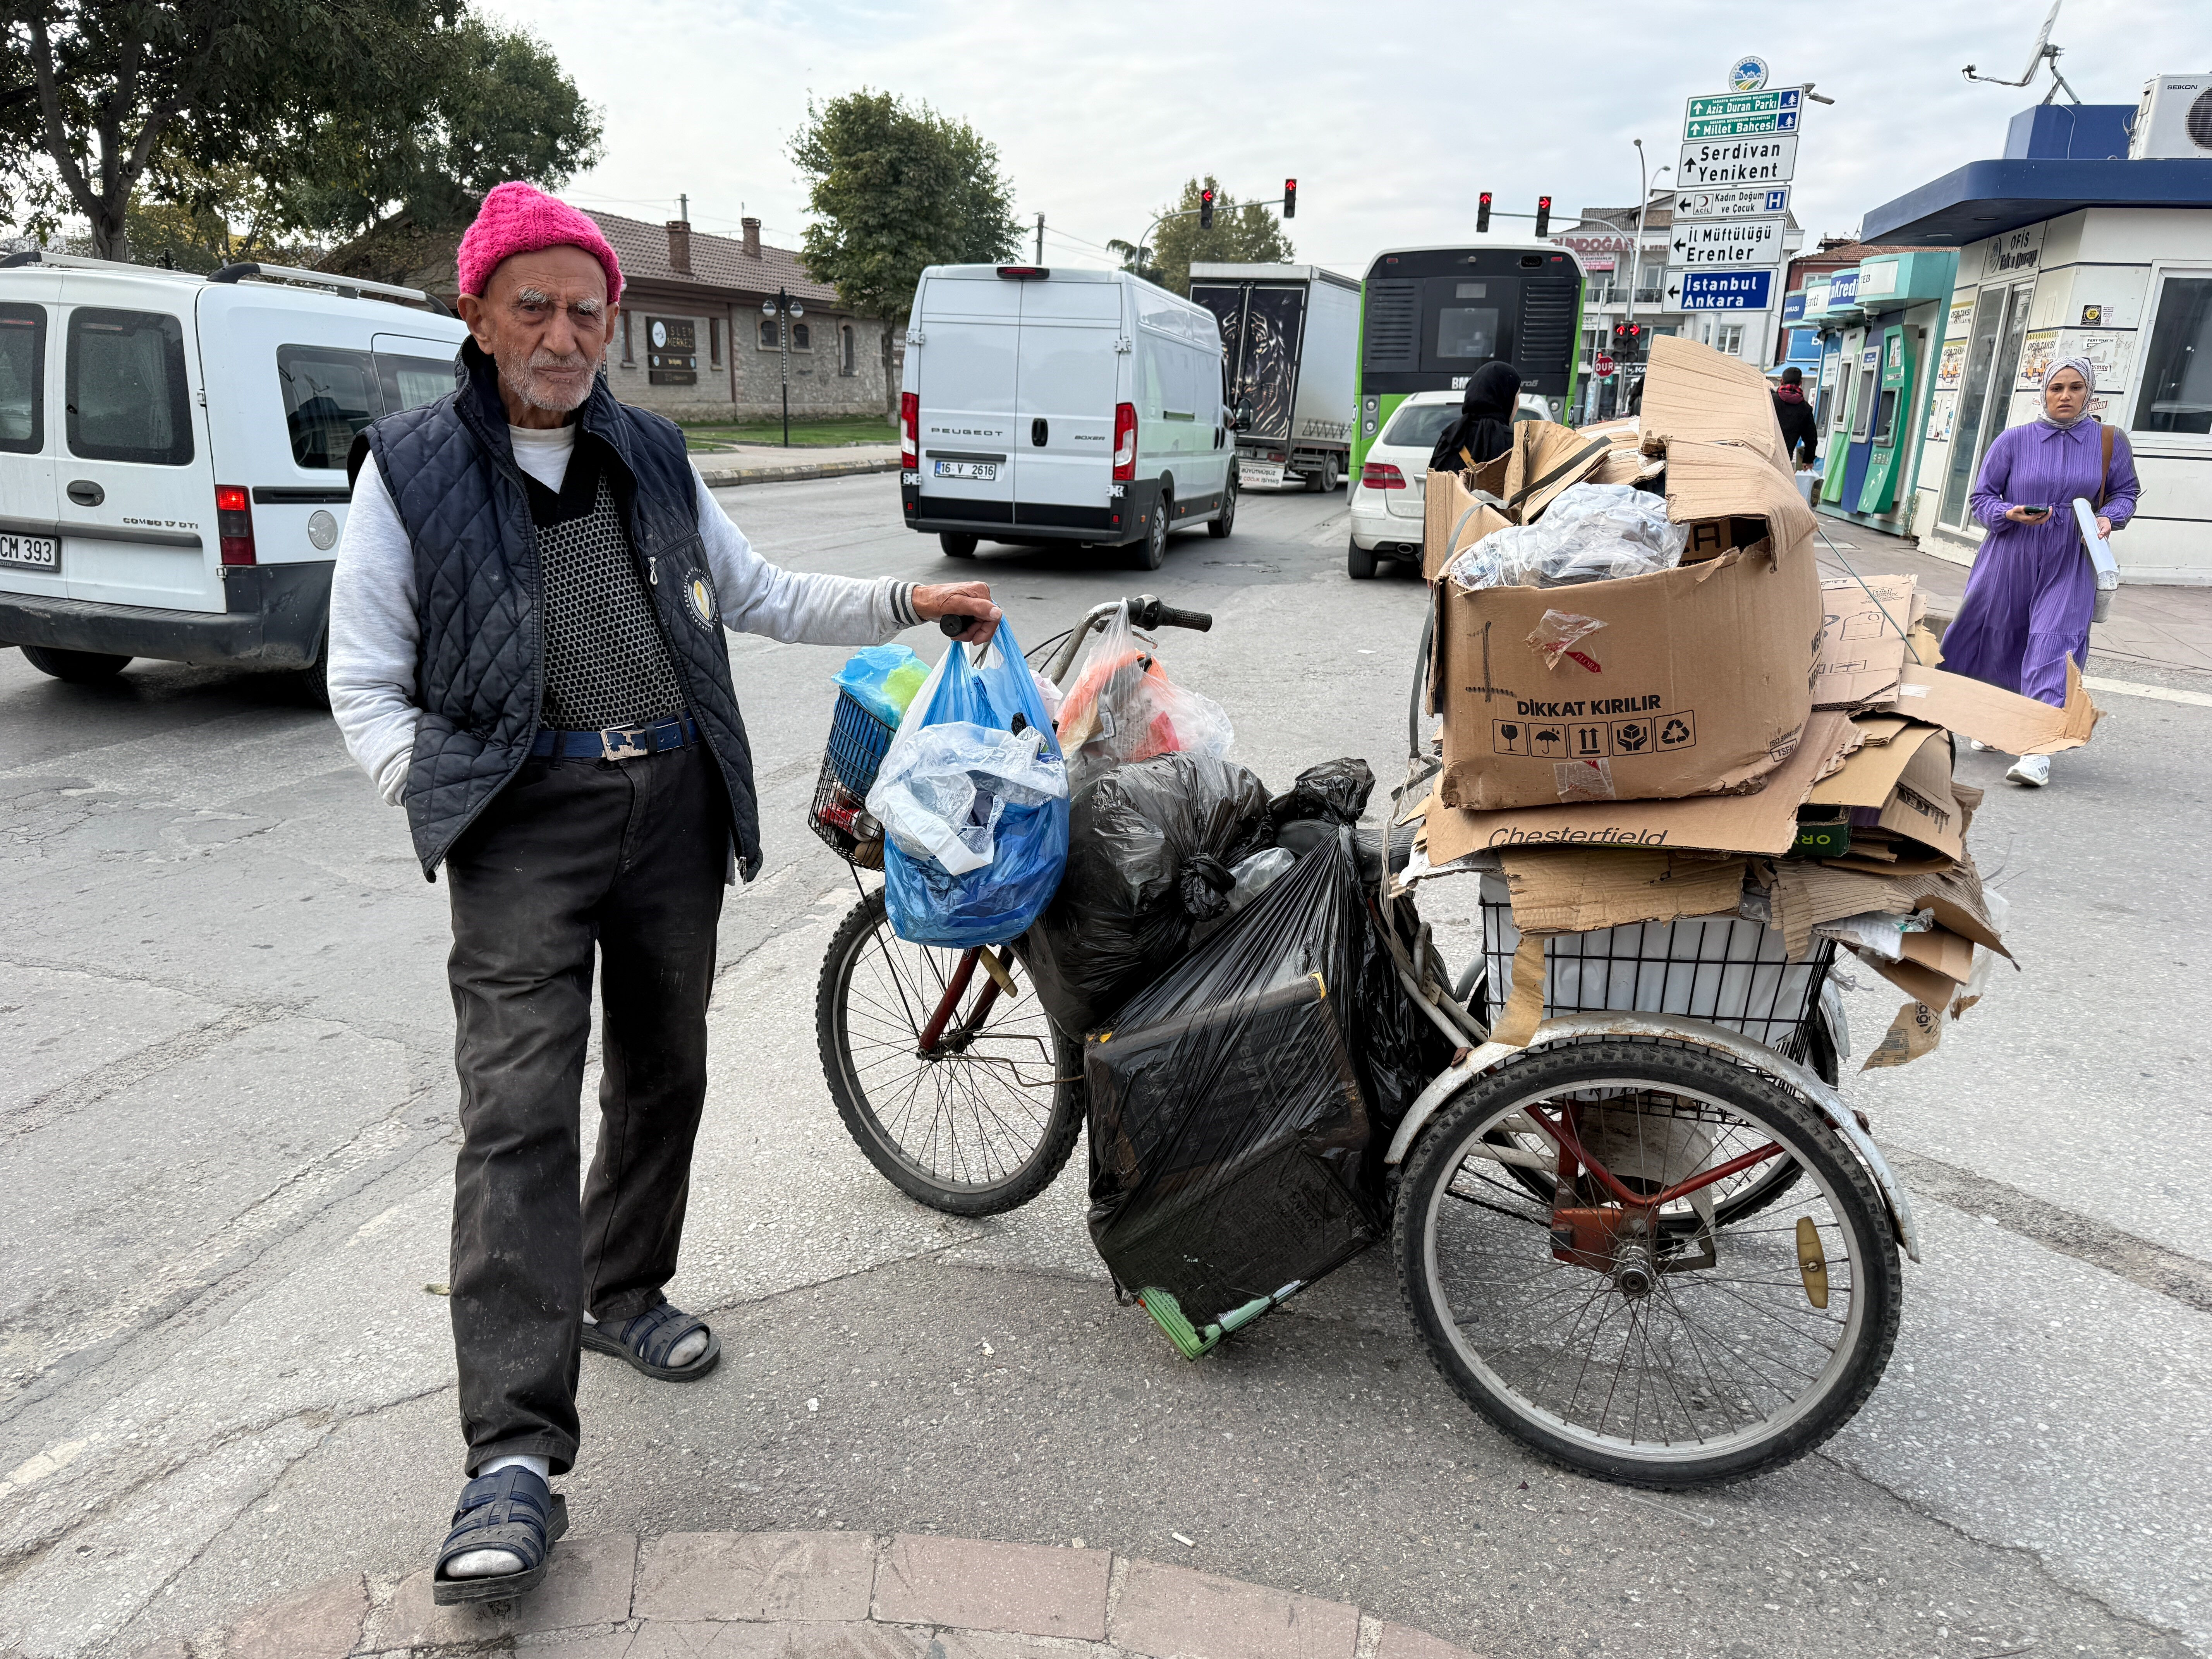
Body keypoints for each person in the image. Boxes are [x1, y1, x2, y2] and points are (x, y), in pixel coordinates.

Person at [325, 182, 1001, 1605]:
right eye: (536, 308)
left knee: (667, 1069)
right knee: (514, 1110)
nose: (565, 334)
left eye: (588, 310)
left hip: (672, 804)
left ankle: (622, 1287)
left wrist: (907, 599)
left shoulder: (649, 452)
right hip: (524, 819)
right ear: (479, 315)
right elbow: (364, 681)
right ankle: (510, 1453)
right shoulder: (411, 469)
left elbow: (757, 595)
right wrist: (447, 797)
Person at [1944, 355, 2137, 787]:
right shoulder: (2013, 440)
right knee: (1999, 636)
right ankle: (2001, 719)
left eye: (2074, 388)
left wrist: (2110, 518)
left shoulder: (2109, 441)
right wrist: (2007, 512)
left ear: (2089, 392)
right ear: (2044, 394)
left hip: (2071, 554)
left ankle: (2037, 748)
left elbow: (2125, 493)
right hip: (2011, 552)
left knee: (2056, 641)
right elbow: (1981, 498)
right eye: (2057, 388)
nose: (2065, 396)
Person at [1427, 361, 1521, 475]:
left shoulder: (1450, 438)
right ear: (1506, 396)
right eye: (1517, 395)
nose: (1518, 402)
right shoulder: (1511, 443)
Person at [1771, 366, 1819, 469]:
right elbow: (1811, 439)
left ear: (1782, 381)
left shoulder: (1770, 400)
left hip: (1764, 454)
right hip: (1785, 459)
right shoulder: (1805, 408)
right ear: (1800, 383)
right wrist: (1808, 460)